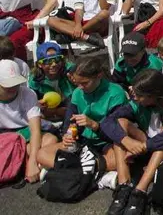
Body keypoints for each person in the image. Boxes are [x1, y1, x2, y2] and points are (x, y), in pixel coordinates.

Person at [102, 70, 163, 215]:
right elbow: (107, 122)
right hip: (145, 144)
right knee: (120, 123)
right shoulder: (137, 104)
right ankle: (124, 186)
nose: (134, 97)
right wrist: (126, 141)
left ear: (153, 95)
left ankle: (140, 192)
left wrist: (144, 146)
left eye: (139, 95)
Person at [37, 57, 128, 190]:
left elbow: (119, 132)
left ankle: (63, 170)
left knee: (119, 160)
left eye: (84, 83)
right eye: (77, 83)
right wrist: (68, 135)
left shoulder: (116, 93)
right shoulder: (77, 92)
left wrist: (95, 126)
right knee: (42, 154)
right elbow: (69, 121)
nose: (80, 87)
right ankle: (98, 176)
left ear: (99, 75)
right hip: (83, 143)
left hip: (107, 143)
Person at [0, 60, 57, 183]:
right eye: (8, 85)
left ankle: (25, 164)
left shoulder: (27, 94)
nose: (13, 88)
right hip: (4, 136)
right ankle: (33, 165)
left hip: (25, 131)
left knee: (50, 140)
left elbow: (35, 130)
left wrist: (32, 161)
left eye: (16, 83)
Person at [28, 42, 75, 121]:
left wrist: (75, 80)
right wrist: (38, 104)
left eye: (57, 59)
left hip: (69, 103)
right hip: (48, 108)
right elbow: (31, 103)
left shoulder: (71, 71)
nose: (54, 64)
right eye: (48, 61)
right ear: (40, 64)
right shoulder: (35, 79)